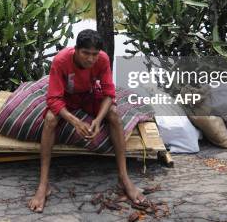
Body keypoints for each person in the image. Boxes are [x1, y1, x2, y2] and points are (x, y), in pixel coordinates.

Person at [28, 29, 146, 213]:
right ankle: (43, 184)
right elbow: (53, 99)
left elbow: (109, 94)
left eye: (94, 54)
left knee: (113, 114)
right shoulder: (61, 61)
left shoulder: (103, 59)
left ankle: (124, 178)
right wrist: (75, 121)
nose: (91, 59)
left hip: (90, 95)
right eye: (86, 53)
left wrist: (98, 120)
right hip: (67, 98)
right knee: (51, 118)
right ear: (76, 50)